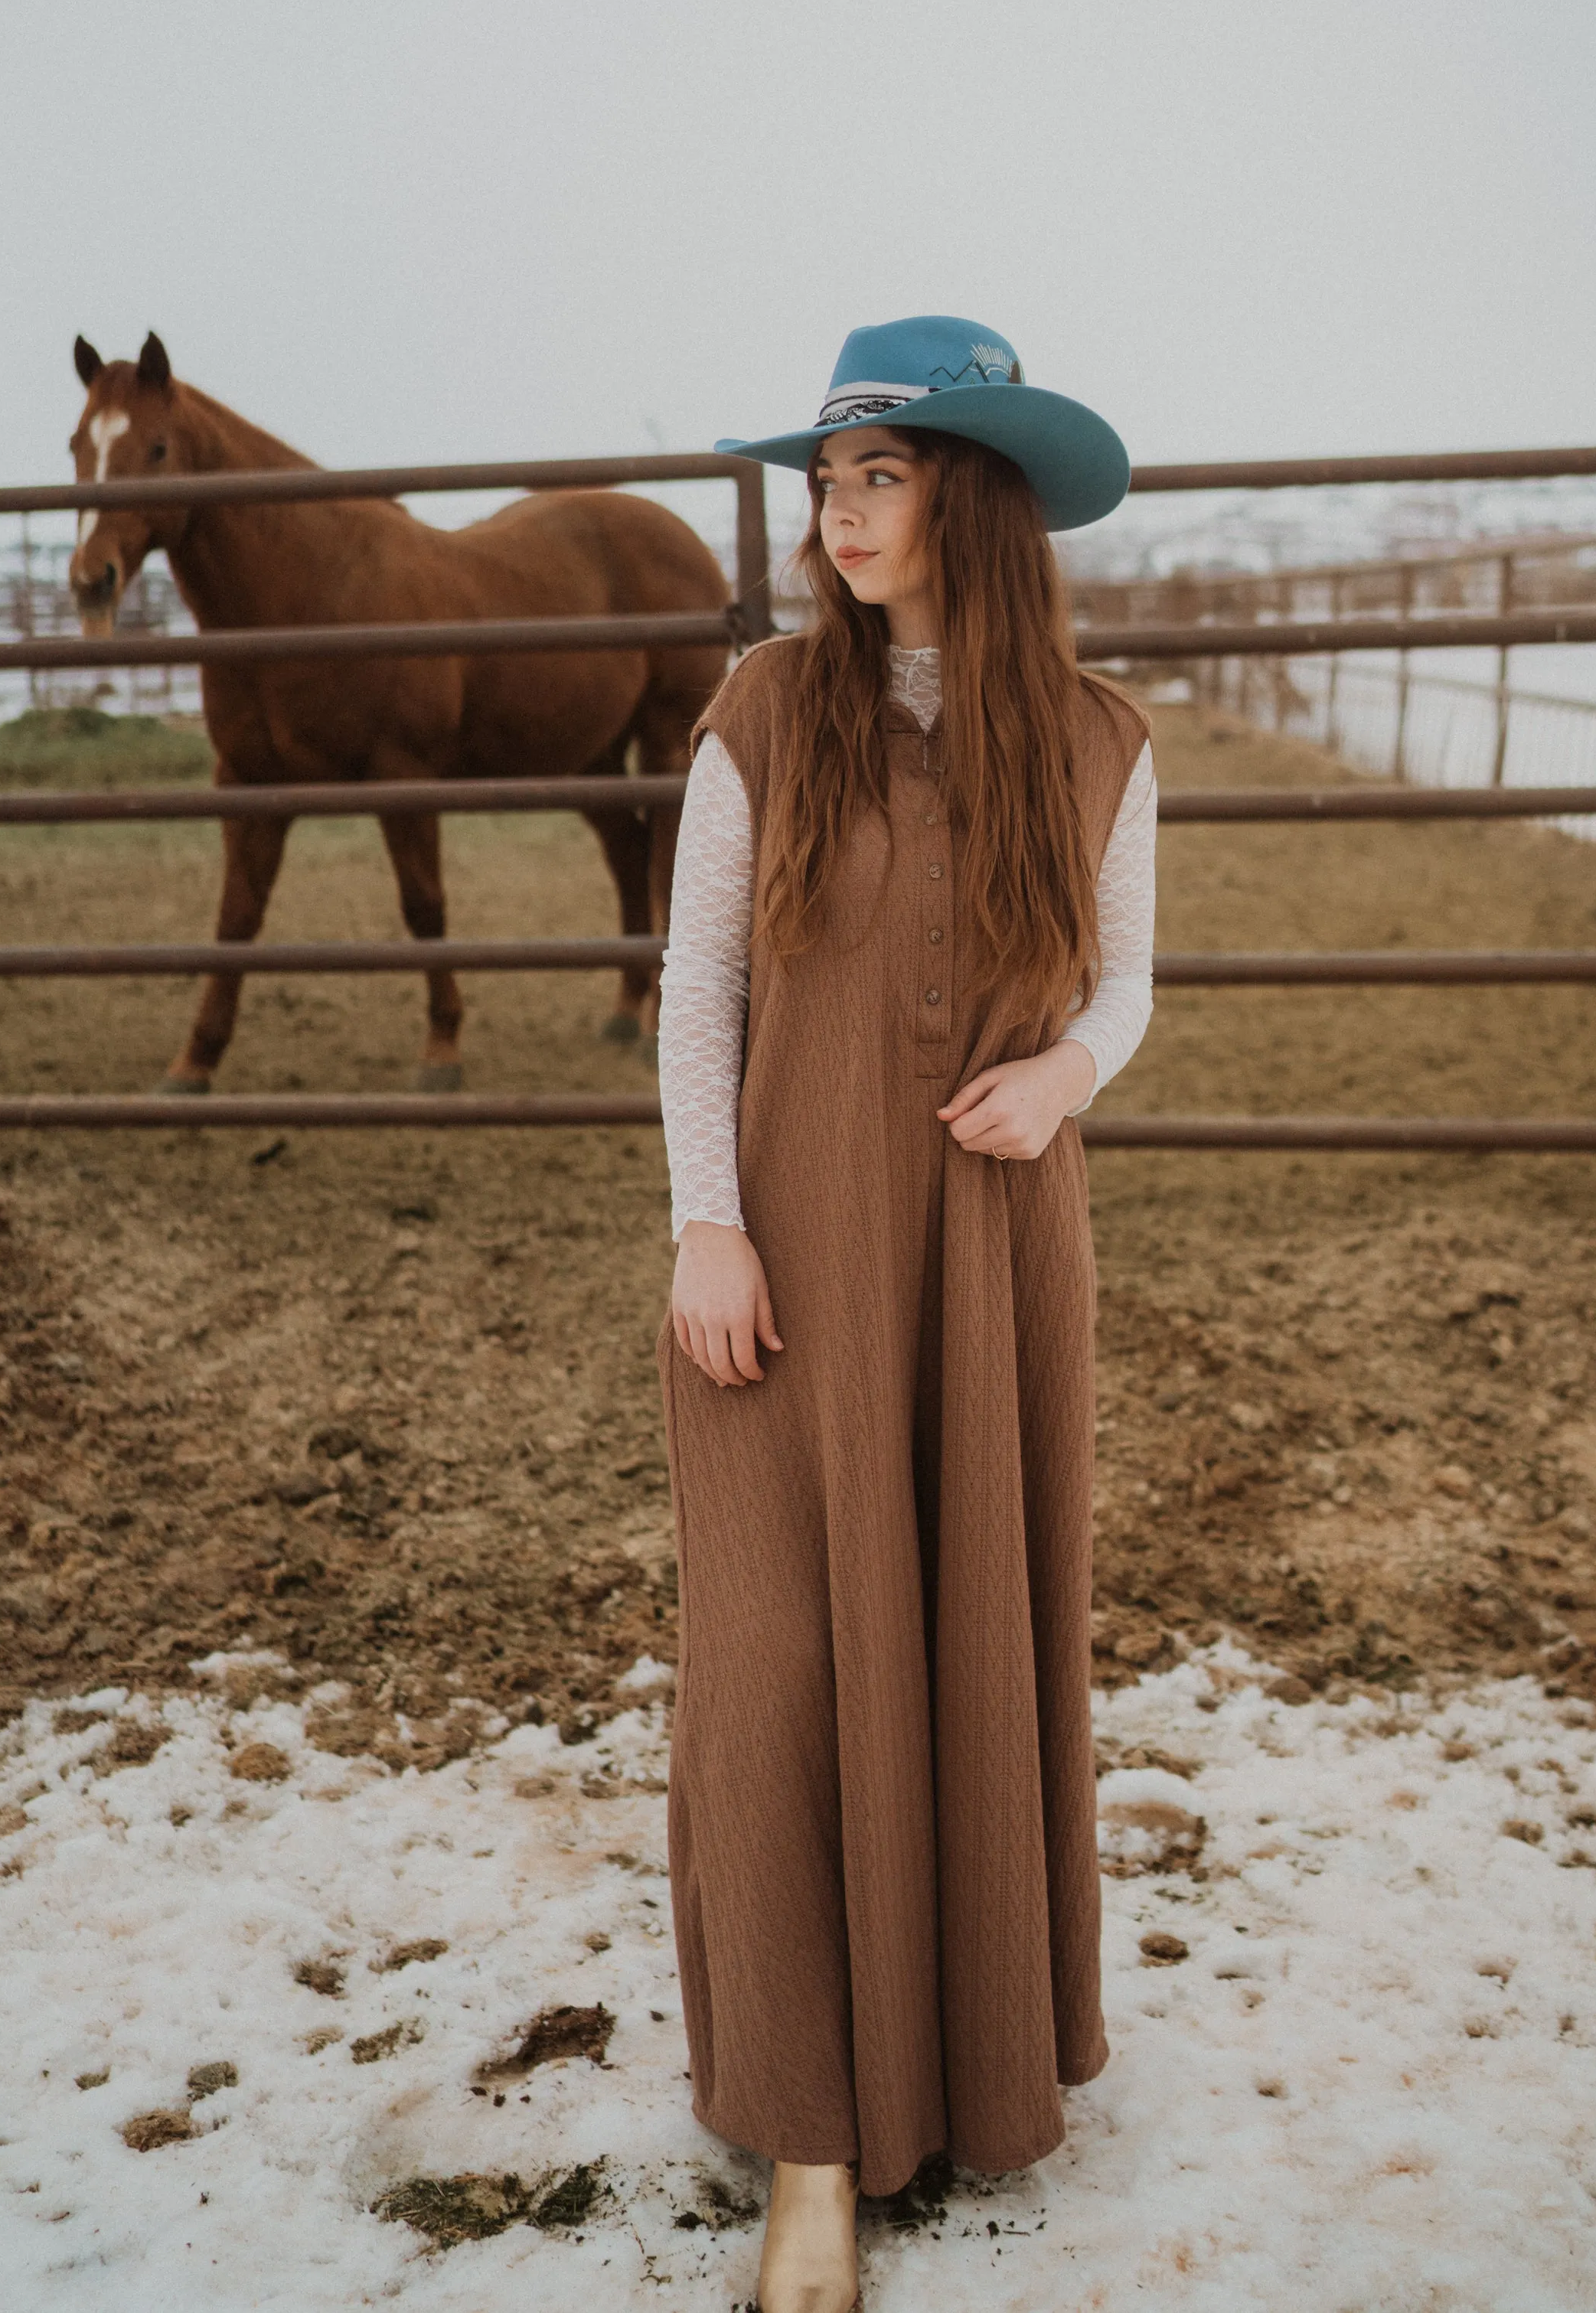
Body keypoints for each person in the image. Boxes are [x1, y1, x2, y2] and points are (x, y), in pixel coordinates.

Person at [655, 316, 1156, 2313]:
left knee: (972, 1638)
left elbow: (1127, 982)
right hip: (785, 1269)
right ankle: (808, 2138)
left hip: (994, 1261)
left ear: (978, 497)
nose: (839, 514)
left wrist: (1067, 1077)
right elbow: (699, 993)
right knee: (777, 1669)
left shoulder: (1099, 739)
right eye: (827, 479)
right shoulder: (767, 714)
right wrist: (708, 1226)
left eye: (880, 475)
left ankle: (963, 2071)